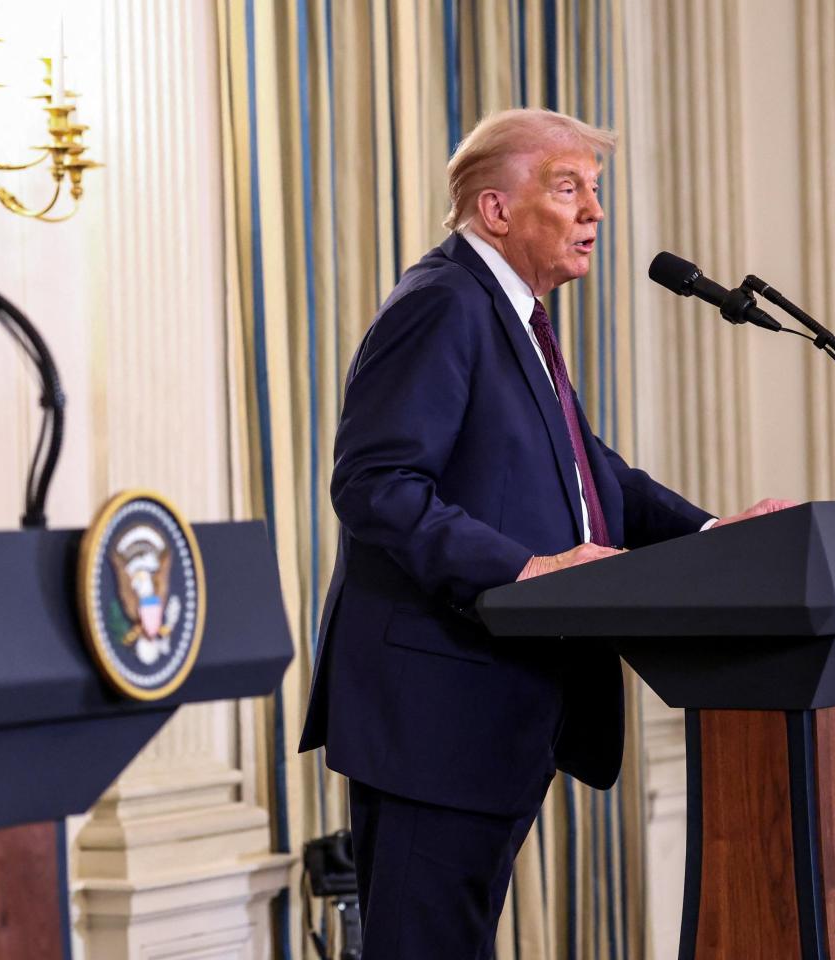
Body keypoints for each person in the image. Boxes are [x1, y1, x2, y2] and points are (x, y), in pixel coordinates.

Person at [297, 108, 793, 958]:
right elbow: (374, 485)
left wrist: (715, 534)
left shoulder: (513, 315)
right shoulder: (443, 302)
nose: (595, 213)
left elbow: (590, 474)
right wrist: (527, 566)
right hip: (434, 715)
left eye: (593, 191)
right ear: (495, 210)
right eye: (569, 189)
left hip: (489, 709)